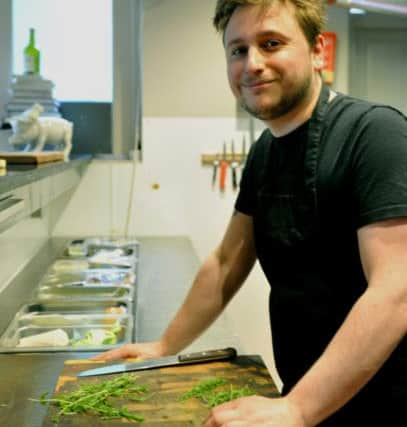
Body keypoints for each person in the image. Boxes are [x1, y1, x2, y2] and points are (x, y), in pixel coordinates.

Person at [95, 0, 407, 425]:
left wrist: (298, 409)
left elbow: (396, 292)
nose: (253, 63)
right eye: (237, 50)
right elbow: (227, 262)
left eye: (271, 43)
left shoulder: (376, 134)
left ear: (318, 51)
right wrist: (164, 345)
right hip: (308, 395)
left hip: (382, 404)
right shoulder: (266, 152)